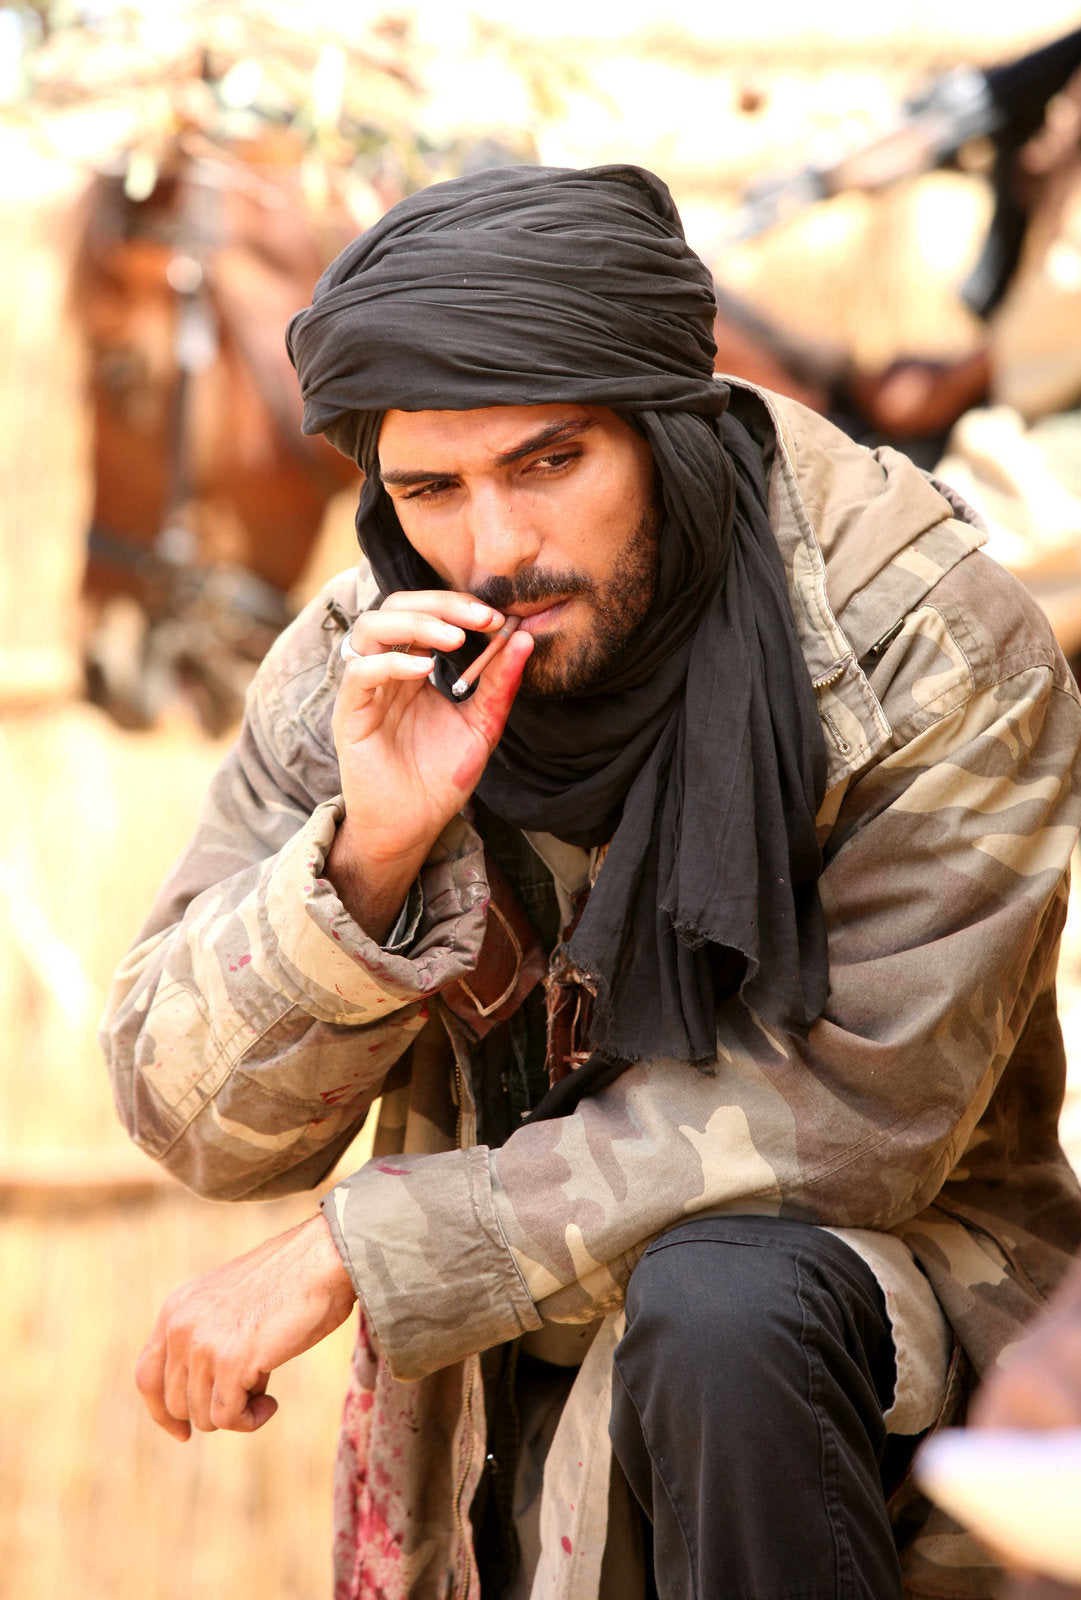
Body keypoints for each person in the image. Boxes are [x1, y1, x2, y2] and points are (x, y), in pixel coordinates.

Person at [102, 163, 1081, 1600]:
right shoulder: (365, 663)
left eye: (549, 464)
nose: (496, 550)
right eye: (430, 490)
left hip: (868, 1392)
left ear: (664, 431)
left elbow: (857, 1119)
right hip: (496, 1404)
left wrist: (363, 1248)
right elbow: (189, 1123)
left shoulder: (923, 648)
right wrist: (368, 861)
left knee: (722, 1301)